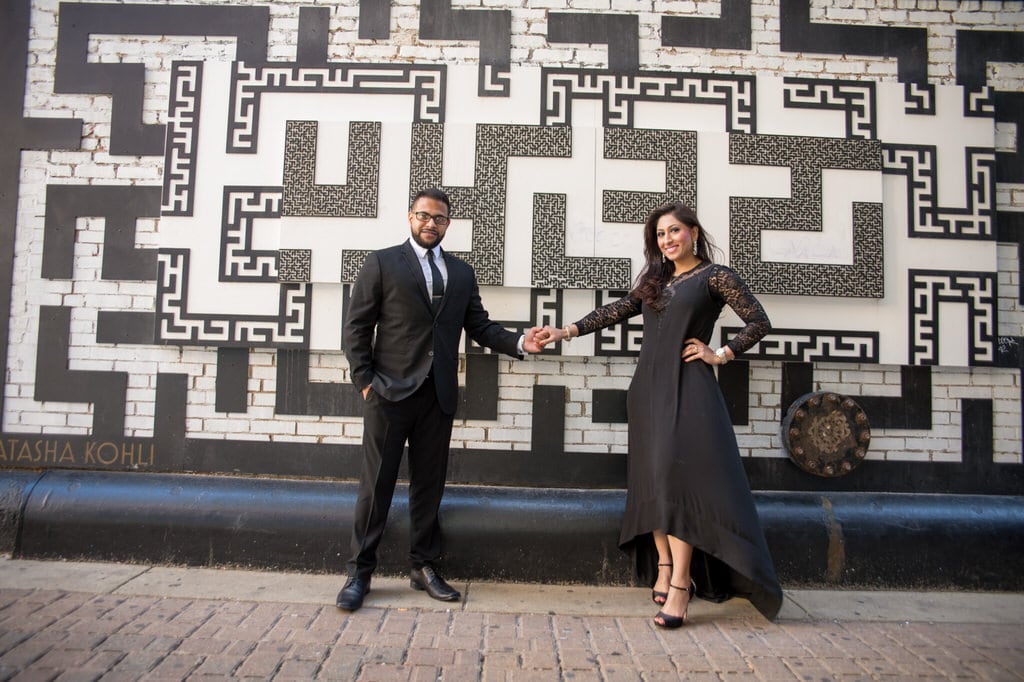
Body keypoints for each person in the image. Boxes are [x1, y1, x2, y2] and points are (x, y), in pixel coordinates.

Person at [537, 202, 783, 625]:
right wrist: (565, 331)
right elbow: (615, 311)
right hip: (647, 390)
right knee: (651, 477)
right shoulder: (655, 279)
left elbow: (758, 322)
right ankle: (664, 566)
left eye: (674, 231)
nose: (667, 240)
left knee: (676, 480)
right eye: (660, 235)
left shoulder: (716, 276)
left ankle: (682, 584)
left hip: (689, 388)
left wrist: (719, 354)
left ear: (693, 232)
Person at [338, 187, 542, 611]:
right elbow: (356, 327)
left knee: (429, 487)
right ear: (409, 217)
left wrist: (520, 341)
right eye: (424, 216)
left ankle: (424, 567)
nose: (432, 223)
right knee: (375, 487)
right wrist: (365, 381)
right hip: (388, 394)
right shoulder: (382, 262)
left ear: (449, 224)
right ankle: (360, 573)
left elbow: (481, 327)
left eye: (440, 219)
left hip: (438, 395)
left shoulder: (461, 272)